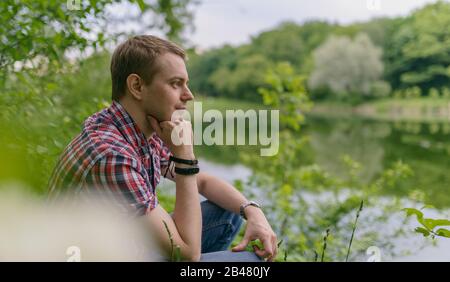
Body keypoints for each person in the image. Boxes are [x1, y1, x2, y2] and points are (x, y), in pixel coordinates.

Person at [48, 35, 277, 262]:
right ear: (137, 86)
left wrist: (253, 211)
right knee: (250, 263)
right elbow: (187, 254)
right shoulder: (113, 156)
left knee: (229, 212)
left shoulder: (138, 128)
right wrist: (184, 156)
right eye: (175, 84)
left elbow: (204, 182)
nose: (189, 95)